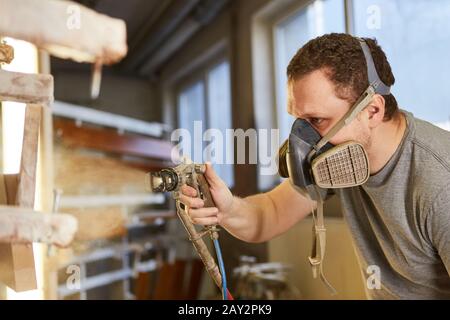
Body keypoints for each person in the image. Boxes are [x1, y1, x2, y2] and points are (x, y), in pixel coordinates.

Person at [179, 33, 450, 299]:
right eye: (298, 121)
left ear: (372, 111)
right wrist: (226, 209)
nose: (304, 141)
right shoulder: (341, 158)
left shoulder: (440, 183)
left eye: (316, 120)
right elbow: (269, 215)